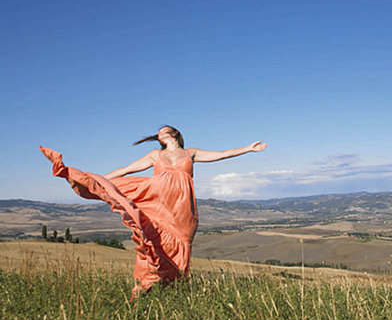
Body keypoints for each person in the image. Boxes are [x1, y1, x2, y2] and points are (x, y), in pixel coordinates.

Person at [39, 125, 267, 301]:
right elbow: (127, 170)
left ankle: (175, 286)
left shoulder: (191, 153)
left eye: (163, 131)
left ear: (175, 134)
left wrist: (248, 148)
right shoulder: (155, 155)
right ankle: (145, 286)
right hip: (155, 201)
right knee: (152, 239)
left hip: (182, 208)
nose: (159, 134)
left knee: (181, 242)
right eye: (158, 133)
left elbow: (222, 154)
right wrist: (98, 180)